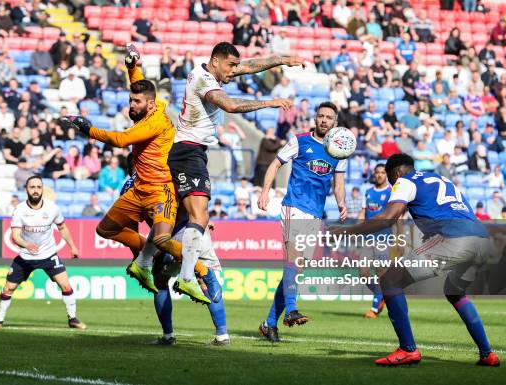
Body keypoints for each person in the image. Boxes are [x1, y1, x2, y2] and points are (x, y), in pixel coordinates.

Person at [68, 45, 216, 304]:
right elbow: (140, 86)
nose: (131, 105)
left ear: (149, 104)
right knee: (105, 230)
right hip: (139, 189)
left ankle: (201, 272)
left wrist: (89, 130)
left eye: (136, 102)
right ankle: (143, 259)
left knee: (161, 238)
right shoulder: (153, 104)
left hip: (161, 189)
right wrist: (131, 66)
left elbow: (121, 139)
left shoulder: (154, 122)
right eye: (130, 100)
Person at [167, 41, 303, 303]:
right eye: (230, 66)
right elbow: (229, 105)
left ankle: (159, 263)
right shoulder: (204, 80)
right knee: (200, 215)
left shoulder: (213, 71)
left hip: (193, 151)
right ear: (215, 61)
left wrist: (283, 59)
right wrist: (271, 102)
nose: (234, 71)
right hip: (187, 150)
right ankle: (185, 277)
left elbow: (251, 65)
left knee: (187, 219)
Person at [337, 153, 500, 367]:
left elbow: (389, 217)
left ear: (394, 173)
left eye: (390, 179)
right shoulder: (441, 178)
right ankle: (487, 353)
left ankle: (407, 349)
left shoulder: (404, 181)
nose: (392, 186)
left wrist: (347, 231)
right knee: (455, 292)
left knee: (390, 280)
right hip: (481, 239)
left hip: (454, 238)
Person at [257, 102, 347, 342]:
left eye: (329, 117)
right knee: (293, 259)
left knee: (295, 271)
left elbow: (338, 184)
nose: (324, 120)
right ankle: (292, 310)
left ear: (335, 122)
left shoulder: (340, 150)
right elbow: (275, 164)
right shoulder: (300, 141)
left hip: (315, 215)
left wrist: (341, 203)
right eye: (321, 116)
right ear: (315, 119)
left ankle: (268, 324)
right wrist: (265, 192)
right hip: (294, 206)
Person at [0, 176, 85, 329]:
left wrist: (73, 247)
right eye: (32, 187)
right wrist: (26, 244)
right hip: (25, 257)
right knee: (9, 288)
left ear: (42, 189)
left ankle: (73, 319)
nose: (35, 190)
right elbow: (15, 235)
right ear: (26, 190)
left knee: (66, 286)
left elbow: (62, 228)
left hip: (48, 255)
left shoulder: (52, 208)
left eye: (38, 187)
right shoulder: (20, 211)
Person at [358, 164, 393, 318]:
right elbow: (363, 213)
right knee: (363, 271)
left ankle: (374, 307)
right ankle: (381, 294)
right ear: (374, 174)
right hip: (367, 237)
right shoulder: (368, 192)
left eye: (382, 173)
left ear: (386, 175)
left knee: (380, 272)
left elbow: (398, 213)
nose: (379, 175)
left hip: (383, 237)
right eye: (377, 172)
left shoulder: (391, 192)